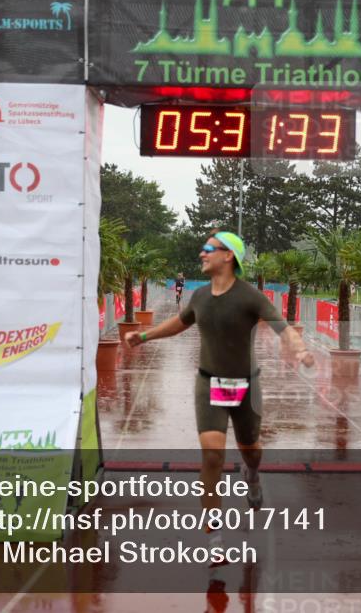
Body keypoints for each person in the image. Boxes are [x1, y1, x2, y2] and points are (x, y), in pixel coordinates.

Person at [125, 232, 315, 560]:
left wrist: (298, 348)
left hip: (246, 386)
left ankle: (251, 474)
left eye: (209, 249)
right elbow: (178, 323)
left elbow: (281, 325)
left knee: (251, 449)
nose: (202, 253)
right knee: (212, 454)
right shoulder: (199, 296)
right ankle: (213, 533)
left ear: (229, 256)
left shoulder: (249, 297)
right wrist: (143, 336)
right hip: (208, 383)